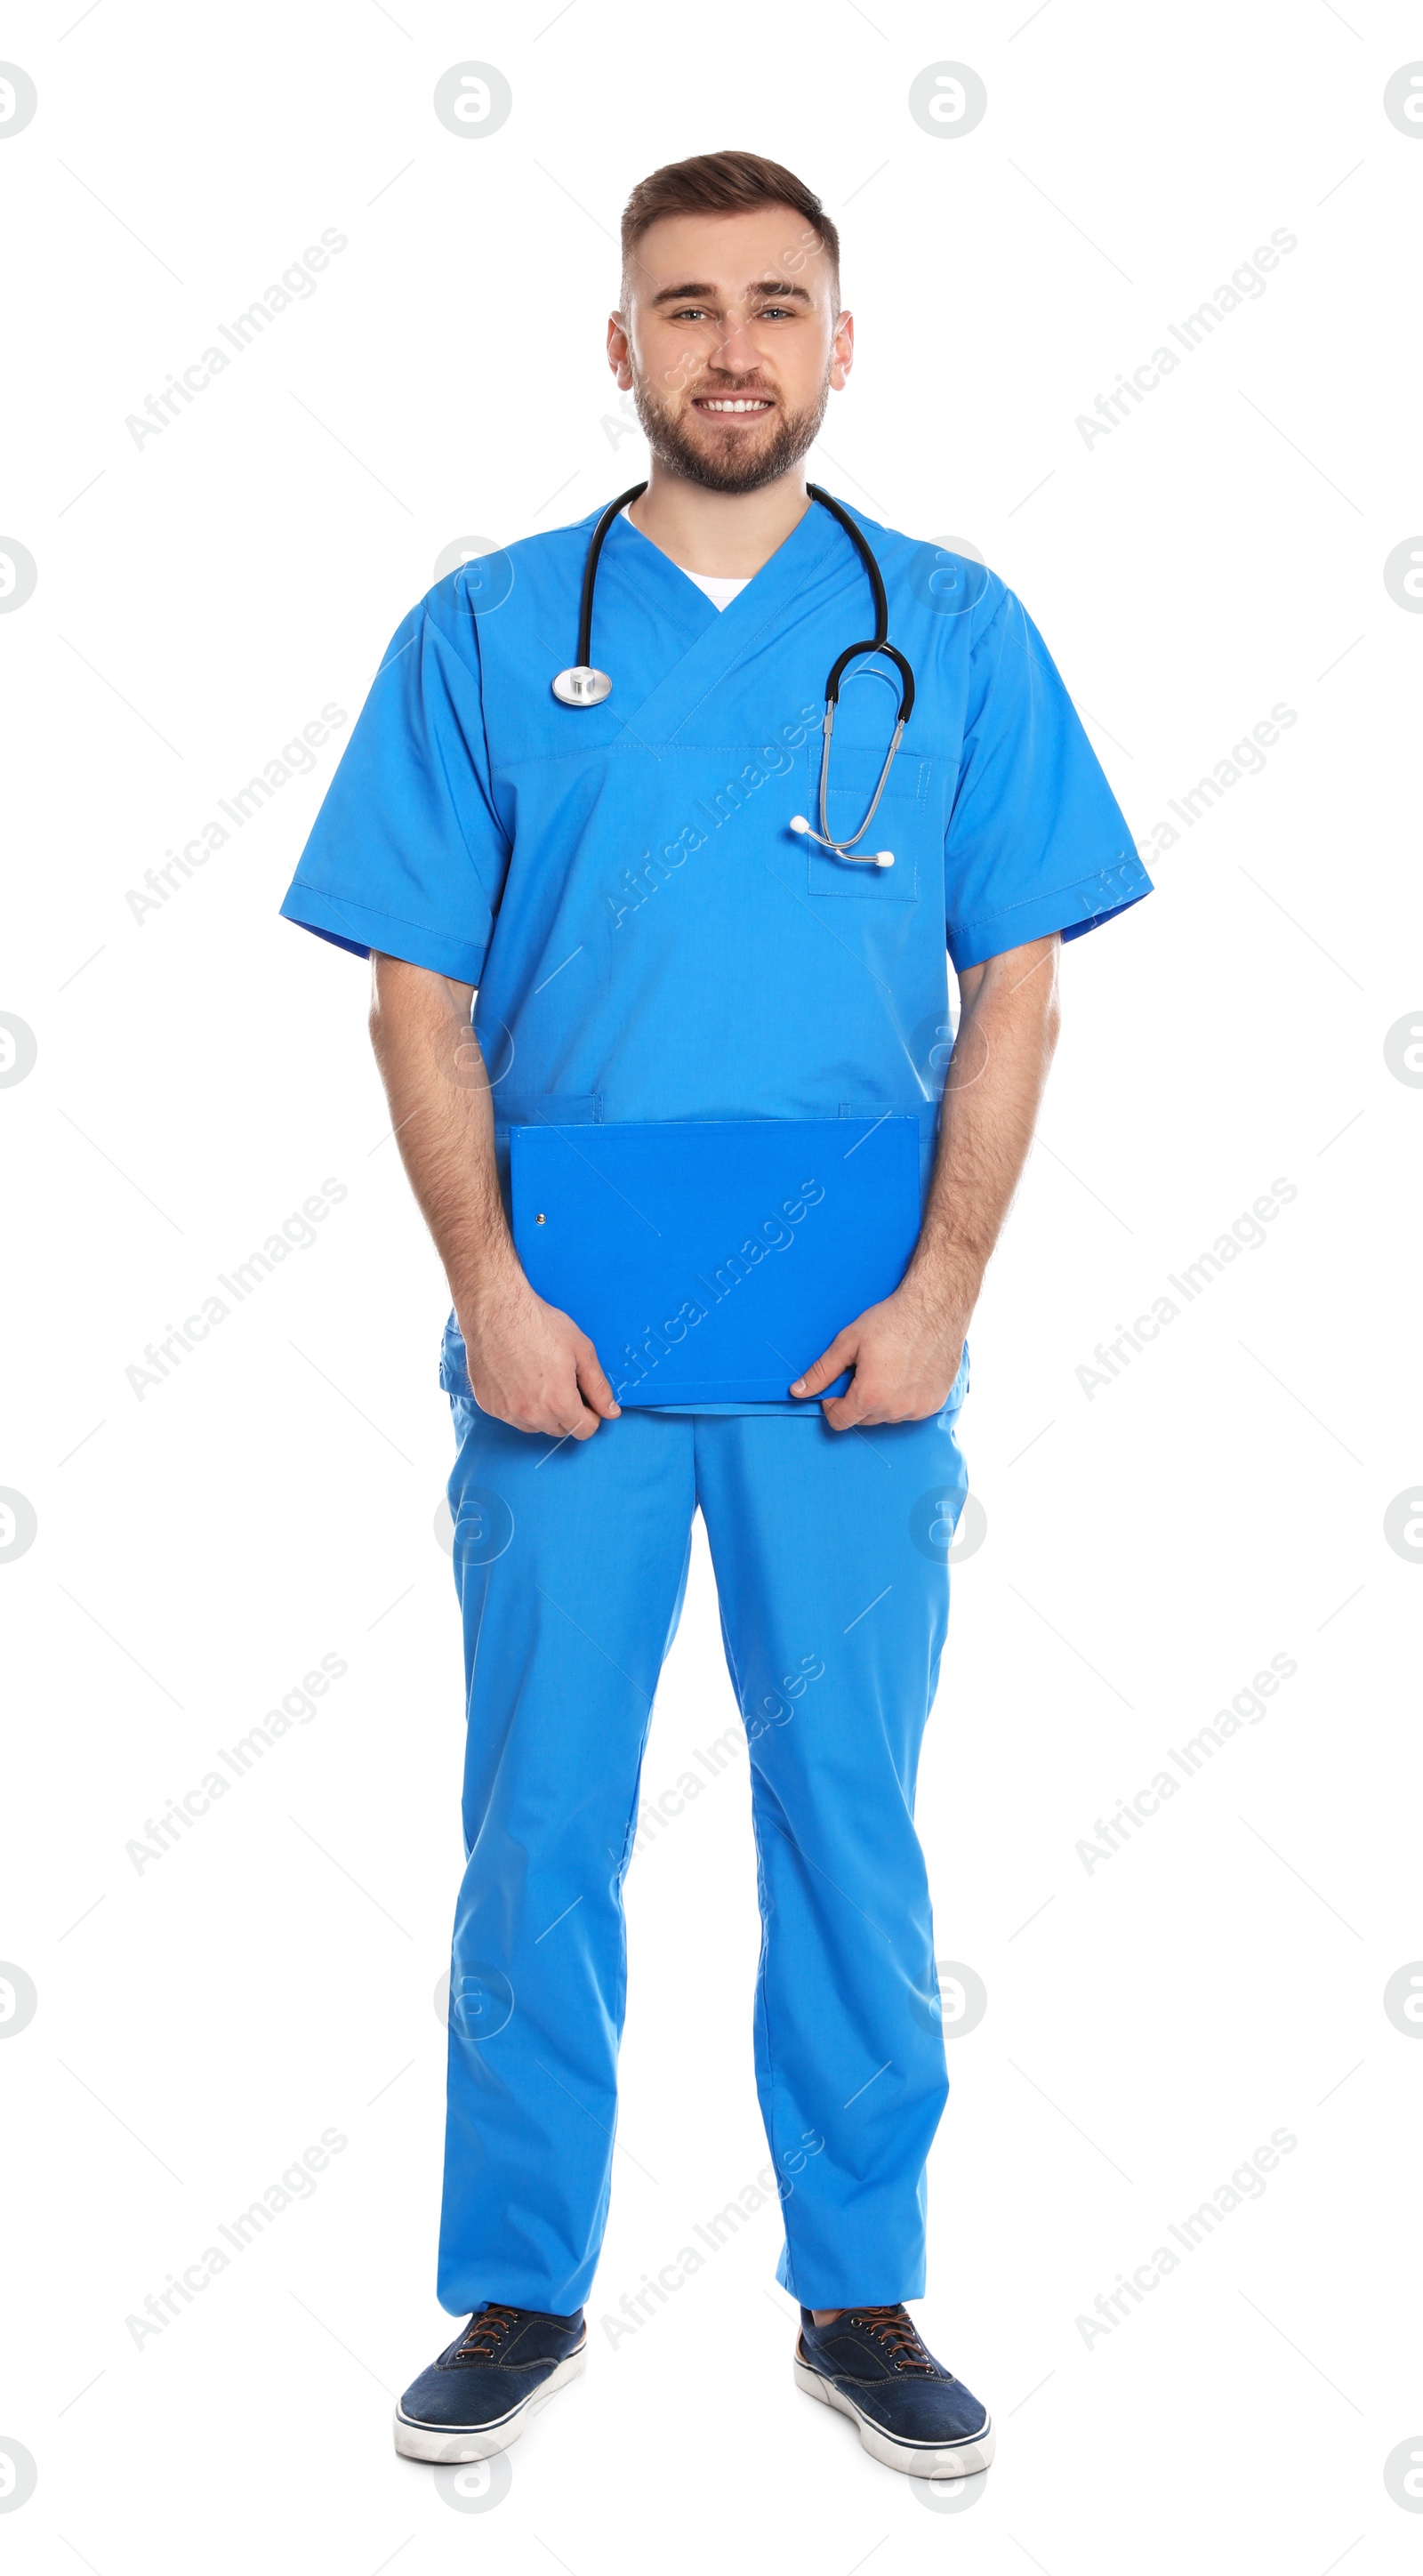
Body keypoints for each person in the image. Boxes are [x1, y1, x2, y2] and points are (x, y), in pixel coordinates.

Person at [278, 148, 1152, 2481]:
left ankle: (859, 2294)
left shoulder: (951, 632)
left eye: (780, 304)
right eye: (688, 307)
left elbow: (1020, 989)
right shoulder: (484, 634)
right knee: (537, 1824)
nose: (735, 346)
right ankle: (518, 2286)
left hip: (849, 1351)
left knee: (845, 1823)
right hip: (563, 1341)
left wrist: (947, 1295)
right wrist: (489, 1292)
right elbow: (413, 999)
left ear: (842, 344)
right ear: (624, 348)